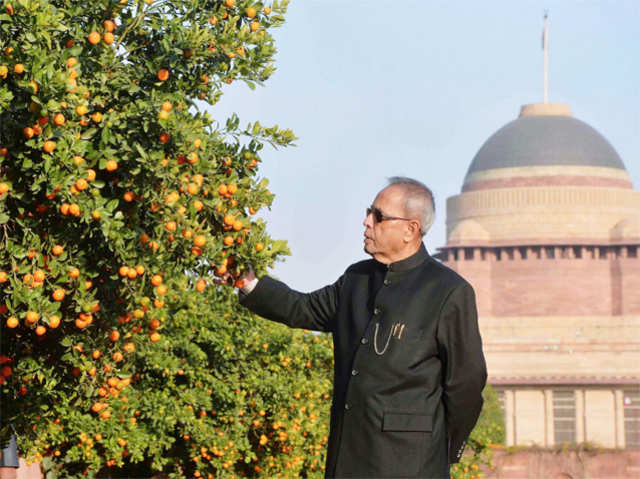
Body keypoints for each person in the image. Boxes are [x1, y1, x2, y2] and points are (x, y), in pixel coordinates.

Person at [238, 177, 487, 478]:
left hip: (411, 463)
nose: (366, 222)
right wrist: (248, 283)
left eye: (379, 216)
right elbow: (303, 309)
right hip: (348, 457)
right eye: (369, 212)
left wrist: (445, 444)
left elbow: (467, 383)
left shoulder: (448, 291)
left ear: (410, 229)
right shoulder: (356, 280)